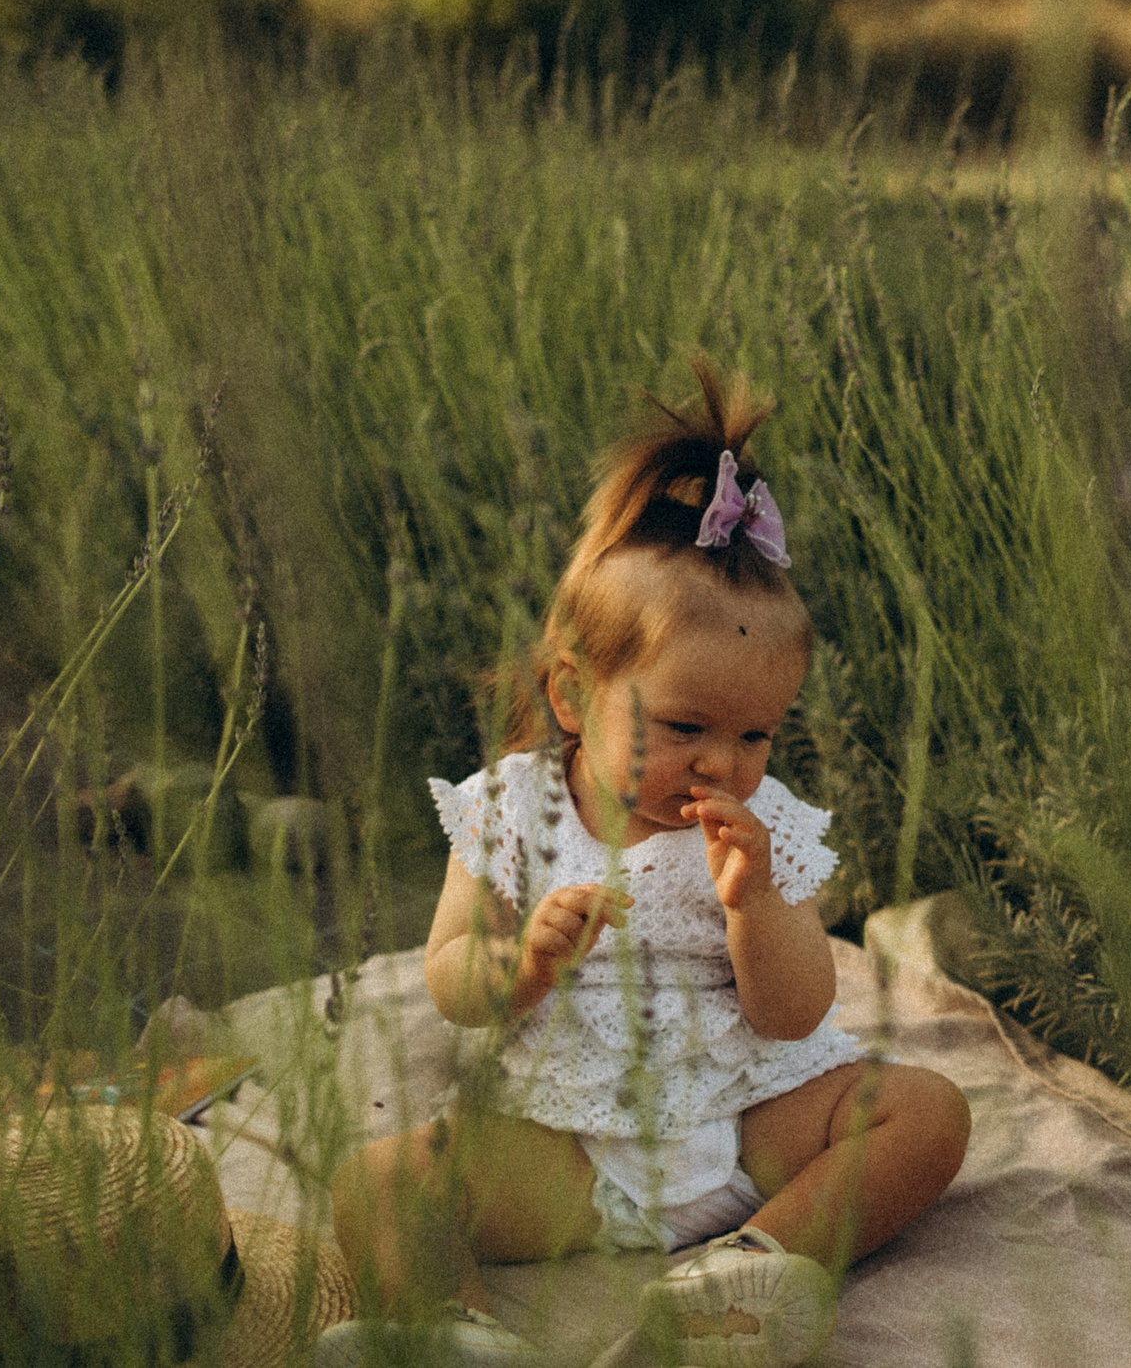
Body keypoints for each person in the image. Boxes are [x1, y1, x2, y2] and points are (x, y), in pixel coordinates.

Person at [320, 364, 971, 1368]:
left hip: (745, 1129)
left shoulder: (766, 829)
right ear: (573, 695)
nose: (724, 762)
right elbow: (450, 978)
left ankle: (751, 1272)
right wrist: (521, 965)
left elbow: (794, 1012)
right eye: (684, 727)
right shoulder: (513, 809)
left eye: (756, 733)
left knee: (928, 1114)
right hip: (568, 1151)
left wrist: (754, 904)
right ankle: (454, 1336)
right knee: (377, 1181)